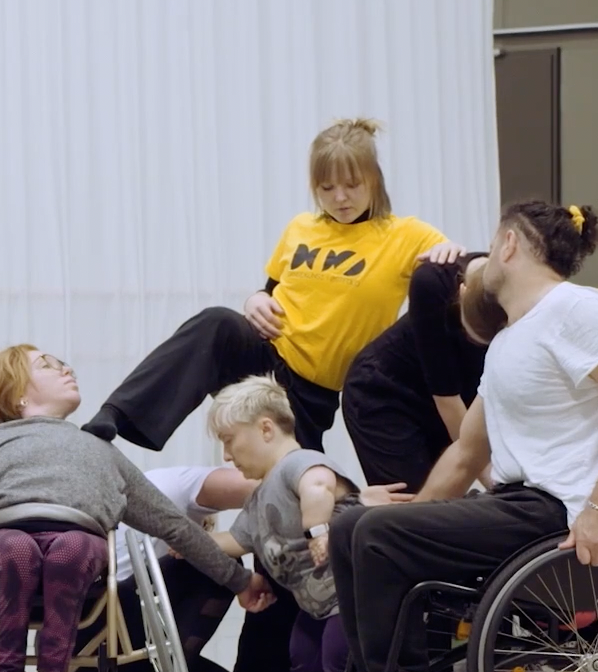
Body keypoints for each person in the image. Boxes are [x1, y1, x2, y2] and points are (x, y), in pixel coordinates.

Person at [326, 200, 598, 672]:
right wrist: (418, 512)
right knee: (351, 526)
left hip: (558, 514)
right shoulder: (510, 340)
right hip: (516, 505)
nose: (483, 261)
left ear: (510, 244)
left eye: (491, 247)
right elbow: (467, 453)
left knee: (374, 534)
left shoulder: (574, 306)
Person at [81, 118, 465, 455]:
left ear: (374, 179)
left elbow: (459, 269)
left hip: (309, 394)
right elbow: (271, 288)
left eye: (352, 184)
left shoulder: (407, 234)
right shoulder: (301, 227)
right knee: (216, 322)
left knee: (299, 483)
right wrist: (255, 299)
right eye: (327, 188)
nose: (340, 197)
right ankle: (115, 416)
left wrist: (452, 253)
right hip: (263, 357)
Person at [0, 345, 271, 672]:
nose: (67, 369)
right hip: (5, 541)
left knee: (72, 549)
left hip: (78, 546)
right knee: (16, 548)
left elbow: (173, 525)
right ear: (16, 392)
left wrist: (240, 580)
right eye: (48, 365)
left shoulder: (100, 449)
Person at [202, 375, 410, 672]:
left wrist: (317, 531)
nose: (226, 455)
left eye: (229, 440)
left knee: (336, 660)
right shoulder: (258, 499)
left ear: (265, 429)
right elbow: (235, 541)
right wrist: (186, 540)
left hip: (351, 599)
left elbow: (319, 485)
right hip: (315, 609)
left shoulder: (297, 463)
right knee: (301, 656)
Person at [339, 252, 508, 490]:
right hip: (383, 392)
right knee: (414, 503)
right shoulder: (431, 282)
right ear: (461, 292)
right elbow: (448, 404)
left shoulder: (521, 296)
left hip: (453, 395)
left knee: (445, 501)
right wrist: (495, 484)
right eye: (469, 336)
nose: (475, 346)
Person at [99, 465, 260, 672]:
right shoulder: (178, 484)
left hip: (90, 637)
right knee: (217, 564)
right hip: (113, 624)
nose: (228, 456)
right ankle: (174, 662)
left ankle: (173, 661)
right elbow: (270, 487)